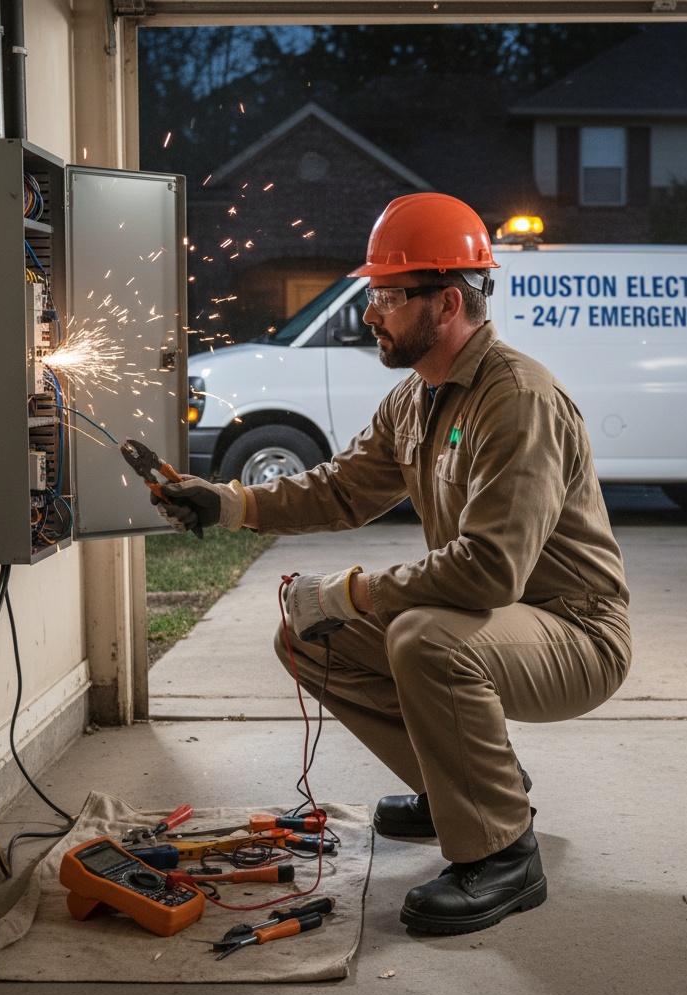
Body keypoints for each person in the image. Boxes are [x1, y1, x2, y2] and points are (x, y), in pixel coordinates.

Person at [153, 193, 632, 936]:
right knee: (307, 635)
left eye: (387, 296)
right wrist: (227, 503)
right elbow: (343, 488)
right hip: (500, 621)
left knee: (423, 639)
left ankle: (504, 855)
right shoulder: (418, 398)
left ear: (446, 303)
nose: (369, 313)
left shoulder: (517, 400)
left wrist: (355, 591)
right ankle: (469, 792)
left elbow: (489, 572)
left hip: (576, 635)